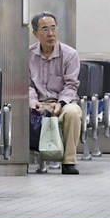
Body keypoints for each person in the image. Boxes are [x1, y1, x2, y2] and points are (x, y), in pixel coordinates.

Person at [27, 11, 83, 174]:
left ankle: (69, 161)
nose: (50, 33)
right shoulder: (28, 54)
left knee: (73, 113)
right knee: (16, 112)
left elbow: (71, 85)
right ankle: (23, 159)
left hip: (62, 102)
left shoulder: (70, 54)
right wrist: (32, 101)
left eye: (53, 28)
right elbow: (27, 84)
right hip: (38, 101)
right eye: (44, 29)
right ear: (35, 33)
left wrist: (60, 103)